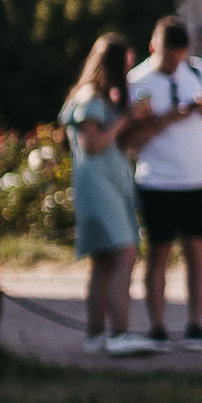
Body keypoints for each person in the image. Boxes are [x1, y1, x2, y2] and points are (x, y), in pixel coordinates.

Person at [126, 17, 202, 344]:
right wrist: (167, 118)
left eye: (180, 57)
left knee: (197, 250)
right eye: (170, 58)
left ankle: (195, 324)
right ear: (154, 47)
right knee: (159, 252)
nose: (175, 64)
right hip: (159, 179)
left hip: (200, 176)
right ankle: (157, 326)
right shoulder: (136, 82)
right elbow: (130, 141)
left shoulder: (197, 71)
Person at [62, 34, 152, 355]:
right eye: (126, 64)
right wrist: (127, 118)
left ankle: (96, 335)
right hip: (97, 186)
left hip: (110, 185)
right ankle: (119, 333)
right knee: (124, 254)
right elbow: (93, 144)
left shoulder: (102, 99)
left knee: (103, 261)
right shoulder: (89, 99)